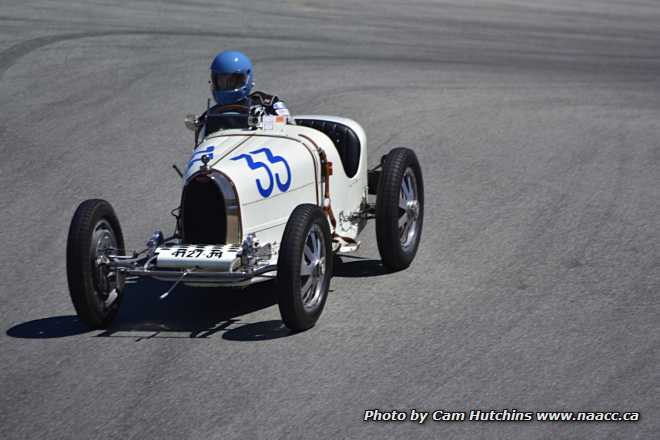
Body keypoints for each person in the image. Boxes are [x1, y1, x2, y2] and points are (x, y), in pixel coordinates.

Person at [209, 50, 291, 118]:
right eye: (222, 81)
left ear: (247, 80)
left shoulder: (267, 104)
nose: (227, 85)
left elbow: (288, 126)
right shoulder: (211, 115)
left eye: (232, 81)